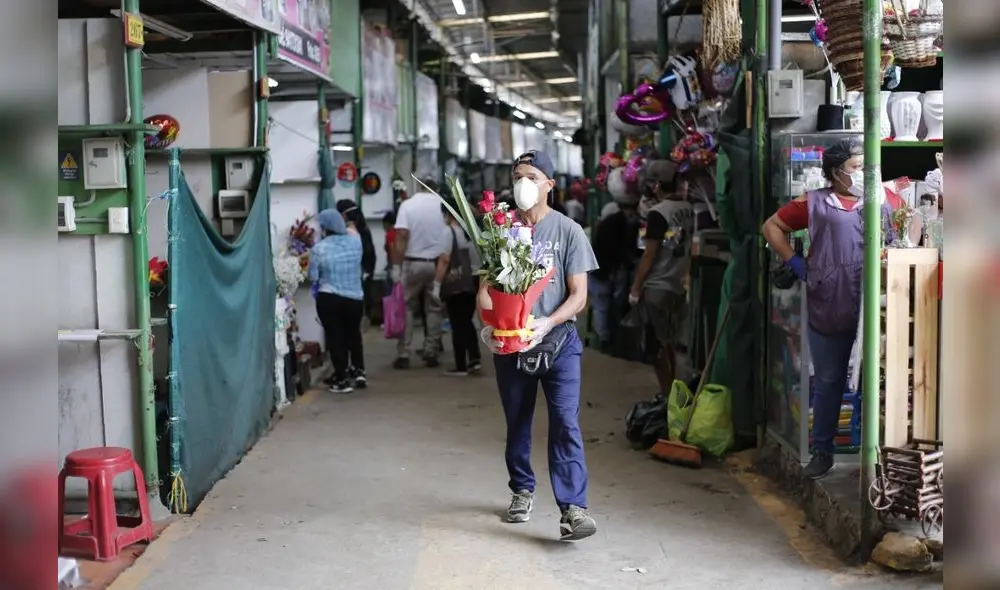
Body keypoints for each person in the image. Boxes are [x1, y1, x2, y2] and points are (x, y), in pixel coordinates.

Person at [478, 150, 599, 541]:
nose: (522, 183)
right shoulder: (500, 230)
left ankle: (573, 510)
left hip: (559, 345)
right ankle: (522, 490)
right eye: (516, 175)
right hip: (512, 347)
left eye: (531, 175)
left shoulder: (568, 232)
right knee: (518, 422)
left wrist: (546, 322)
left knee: (565, 423)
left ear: (549, 184)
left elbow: (579, 295)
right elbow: (485, 291)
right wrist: (491, 324)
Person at [762, 137, 893, 479]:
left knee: (876, 381)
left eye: (868, 166)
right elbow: (771, 226)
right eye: (857, 167)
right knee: (830, 380)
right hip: (829, 300)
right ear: (836, 173)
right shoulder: (815, 203)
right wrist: (794, 262)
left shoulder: (882, 199)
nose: (865, 173)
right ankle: (823, 450)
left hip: (873, 304)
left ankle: (879, 457)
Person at [629, 160, 694, 397]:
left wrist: (636, 288)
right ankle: (675, 394)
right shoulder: (688, 208)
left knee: (657, 348)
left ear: (657, 185)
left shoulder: (658, 213)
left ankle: (668, 397)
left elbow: (650, 253)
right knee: (672, 344)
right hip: (678, 285)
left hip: (657, 286)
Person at [391, 178, 448, 369]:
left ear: (419, 187)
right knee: (434, 307)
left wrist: (397, 266)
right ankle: (431, 351)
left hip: (412, 263)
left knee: (406, 307)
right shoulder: (443, 204)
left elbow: (401, 237)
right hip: (437, 264)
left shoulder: (407, 206)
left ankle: (404, 353)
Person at [308, 209, 365, 394]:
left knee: (335, 338)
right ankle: (358, 371)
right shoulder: (356, 243)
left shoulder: (319, 249)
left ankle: (341, 379)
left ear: (325, 228)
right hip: (355, 298)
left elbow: (313, 276)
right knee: (353, 334)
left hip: (330, 298)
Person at [589, 179, 641, 352]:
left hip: (602, 270)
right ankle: (606, 338)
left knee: (601, 306)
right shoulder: (621, 225)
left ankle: (604, 338)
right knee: (605, 305)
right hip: (607, 270)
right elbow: (617, 249)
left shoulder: (610, 224)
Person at [436, 202, 482, 376]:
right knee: (466, 321)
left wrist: (436, 284)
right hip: (474, 279)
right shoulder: (471, 230)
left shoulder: (451, 232)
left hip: (458, 281)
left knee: (457, 322)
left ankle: (461, 363)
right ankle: (474, 358)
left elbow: (445, 259)